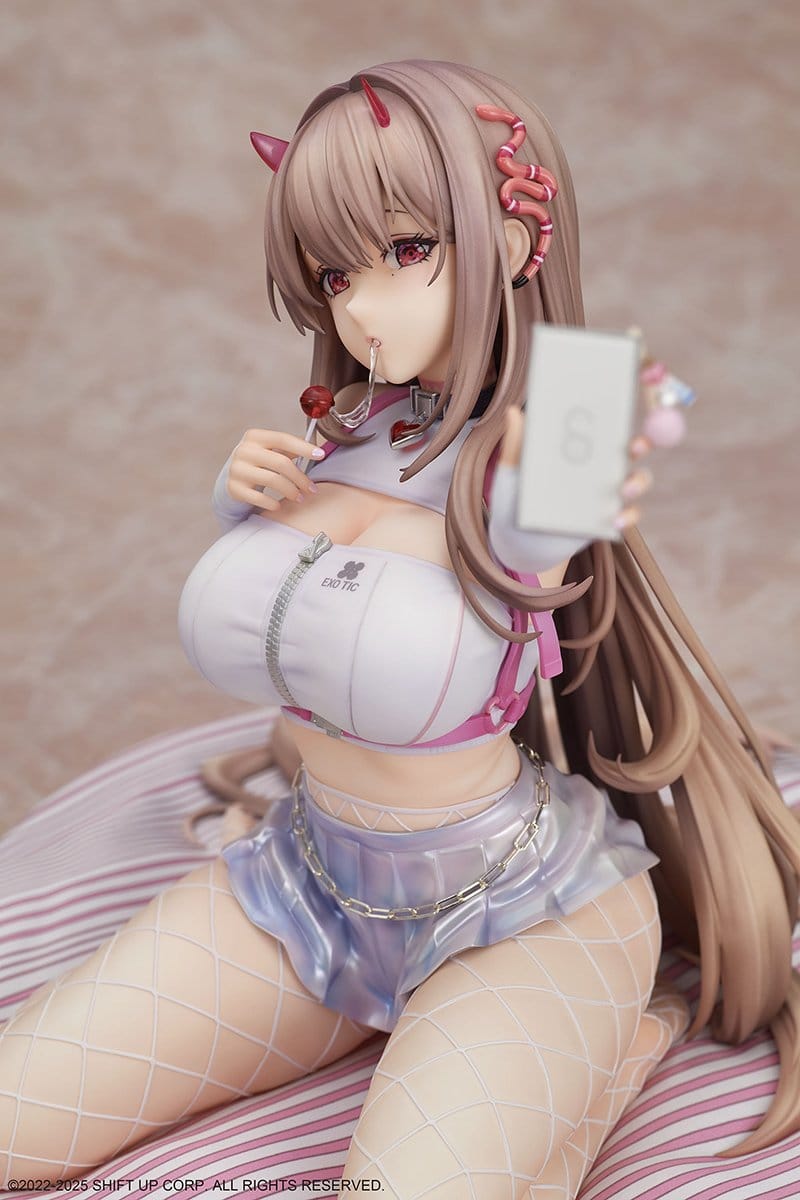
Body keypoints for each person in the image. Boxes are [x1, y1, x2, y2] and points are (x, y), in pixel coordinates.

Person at [2, 60, 798, 1198]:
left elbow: (562, 490)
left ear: (511, 240)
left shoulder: (543, 446)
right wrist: (242, 506)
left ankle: (618, 1048)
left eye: (408, 250)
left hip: (524, 912)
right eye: (334, 272)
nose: (361, 307)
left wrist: (586, 433)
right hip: (306, 885)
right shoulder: (345, 434)